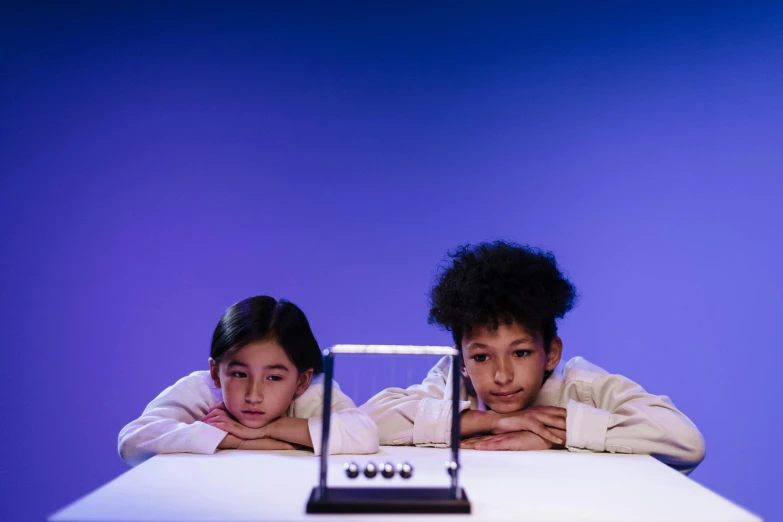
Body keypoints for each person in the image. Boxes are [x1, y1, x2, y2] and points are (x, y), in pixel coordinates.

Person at [361, 241, 705, 474]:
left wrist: (555, 435)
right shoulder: (453, 380)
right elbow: (361, 425)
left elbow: (686, 442)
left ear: (551, 353)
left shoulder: (584, 386)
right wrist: (494, 423)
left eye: (521, 352)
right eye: (482, 358)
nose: (502, 376)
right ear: (462, 360)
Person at [119, 295, 378, 466]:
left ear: (301, 381)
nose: (254, 395)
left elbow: (365, 433)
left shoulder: (313, 392)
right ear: (215, 372)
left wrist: (266, 430)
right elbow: (131, 441)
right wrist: (237, 441)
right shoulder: (200, 389)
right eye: (240, 374)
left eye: (274, 377)